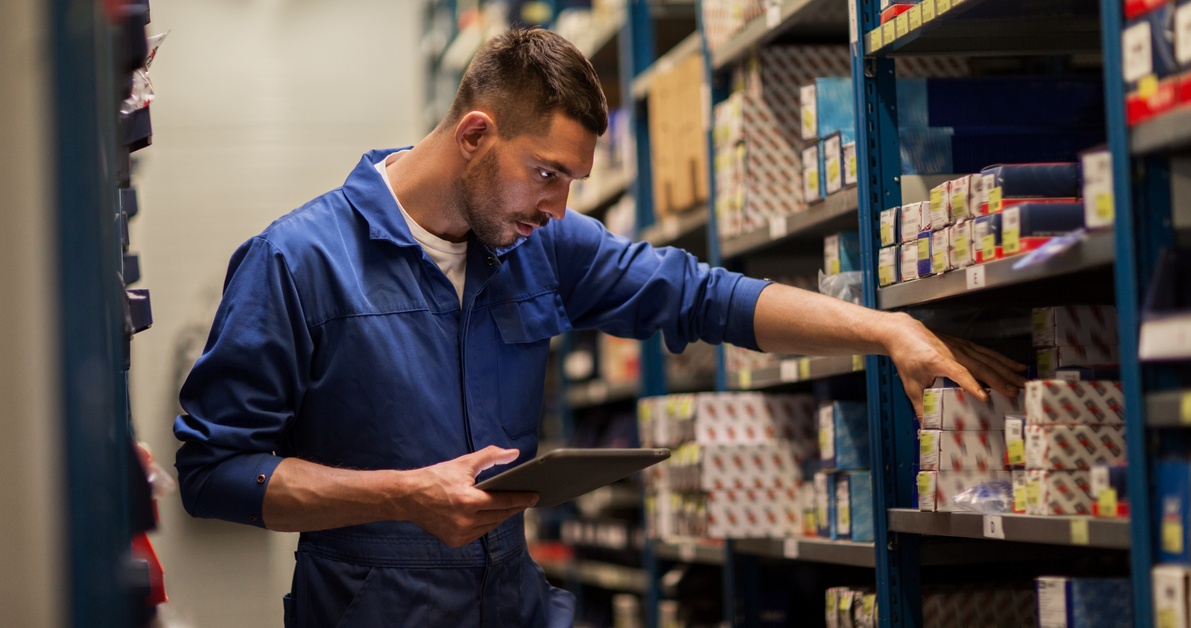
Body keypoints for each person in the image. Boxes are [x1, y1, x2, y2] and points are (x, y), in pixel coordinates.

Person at [174, 27, 1026, 627]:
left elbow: (703, 296)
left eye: (573, 181)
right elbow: (215, 470)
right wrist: (402, 495)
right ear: (475, 134)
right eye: (545, 172)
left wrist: (886, 331)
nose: (559, 207)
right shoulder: (296, 262)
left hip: (513, 606)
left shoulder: (538, 243)